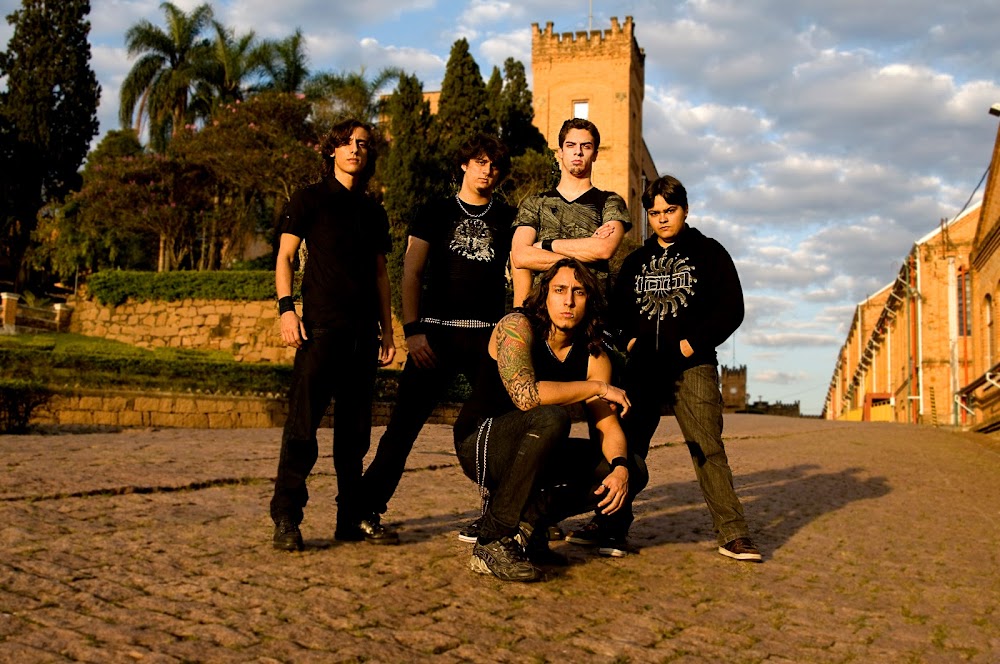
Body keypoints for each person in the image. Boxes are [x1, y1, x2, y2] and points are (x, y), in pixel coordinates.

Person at [586, 174, 762, 562]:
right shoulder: (635, 262)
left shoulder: (710, 253)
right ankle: (611, 528)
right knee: (627, 447)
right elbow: (616, 313)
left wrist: (691, 343)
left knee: (707, 448)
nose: (663, 219)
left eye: (670, 210)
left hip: (692, 366)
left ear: (685, 209)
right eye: (655, 213)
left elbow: (732, 308)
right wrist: (630, 341)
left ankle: (733, 533)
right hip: (643, 368)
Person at [356, 134, 515, 535]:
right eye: (480, 162)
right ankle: (365, 509)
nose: (487, 171)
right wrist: (412, 331)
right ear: (464, 164)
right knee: (402, 428)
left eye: (494, 165)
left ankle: (510, 514)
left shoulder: (508, 217)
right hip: (434, 338)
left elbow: (521, 269)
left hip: (488, 341)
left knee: (500, 428)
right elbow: (411, 272)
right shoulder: (434, 211)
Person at [453, 258, 647, 581]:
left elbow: (608, 426)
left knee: (634, 467)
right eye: (559, 290)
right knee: (551, 417)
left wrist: (620, 468)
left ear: (589, 300)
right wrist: (597, 387)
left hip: (537, 448)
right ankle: (492, 540)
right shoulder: (516, 327)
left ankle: (529, 525)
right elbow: (525, 396)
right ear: (544, 295)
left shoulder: (594, 355)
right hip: (481, 443)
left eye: (578, 292)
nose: (568, 301)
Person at [270, 118, 396, 551]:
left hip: (363, 337)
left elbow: (380, 275)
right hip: (319, 331)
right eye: (346, 142)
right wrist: (287, 309)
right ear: (332, 150)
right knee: (302, 430)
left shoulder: (373, 211)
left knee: (355, 436)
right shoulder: (309, 199)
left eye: (363, 143)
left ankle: (350, 518)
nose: (355, 149)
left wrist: (388, 330)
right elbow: (285, 257)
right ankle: (287, 517)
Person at [510, 118, 631, 307]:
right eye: (571, 145)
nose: (578, 151)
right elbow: (520, 255)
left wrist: (546, 245)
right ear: (560, 152)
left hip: (593, 313)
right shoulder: (535, 203)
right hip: (542, 313)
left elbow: (604, 249)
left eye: (586, 146)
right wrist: (584, 256)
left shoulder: (610, 202)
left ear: (595, 154)